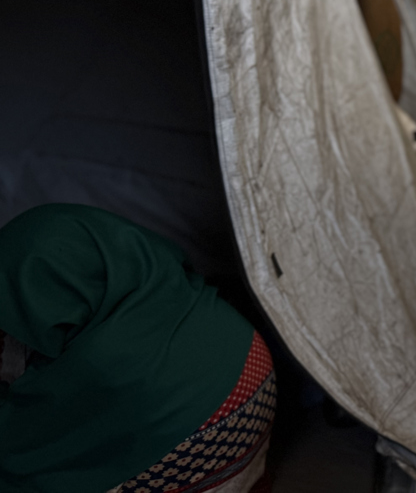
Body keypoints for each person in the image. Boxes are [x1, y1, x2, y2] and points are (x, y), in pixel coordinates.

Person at [0, 204, 275, 493]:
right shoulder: (153, 277)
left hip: (194, 439)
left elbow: (23, 448)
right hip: (253, 372)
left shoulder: (100, 361)